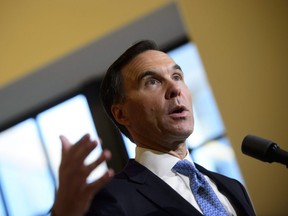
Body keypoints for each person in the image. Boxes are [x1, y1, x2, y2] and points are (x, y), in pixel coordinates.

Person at [52, 40, 256, 216]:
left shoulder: (232, 187)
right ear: (121, 114)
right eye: (152, 82)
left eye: (177, 77)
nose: (176, 89)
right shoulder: (111, 200)